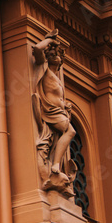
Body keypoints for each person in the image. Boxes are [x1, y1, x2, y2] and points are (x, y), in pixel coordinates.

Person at [33, 30, 76, 190]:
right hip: (50, 112)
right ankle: (56, 165)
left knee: (68, 133)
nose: (56, 55)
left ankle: (55, 163)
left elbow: (56, 96)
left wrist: (65, 105)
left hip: (59, 112)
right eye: (53, 53)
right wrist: (49, 40)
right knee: (71, 132)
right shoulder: (43, 68)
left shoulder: (57, 77)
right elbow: (37, 49)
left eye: (58, 54)